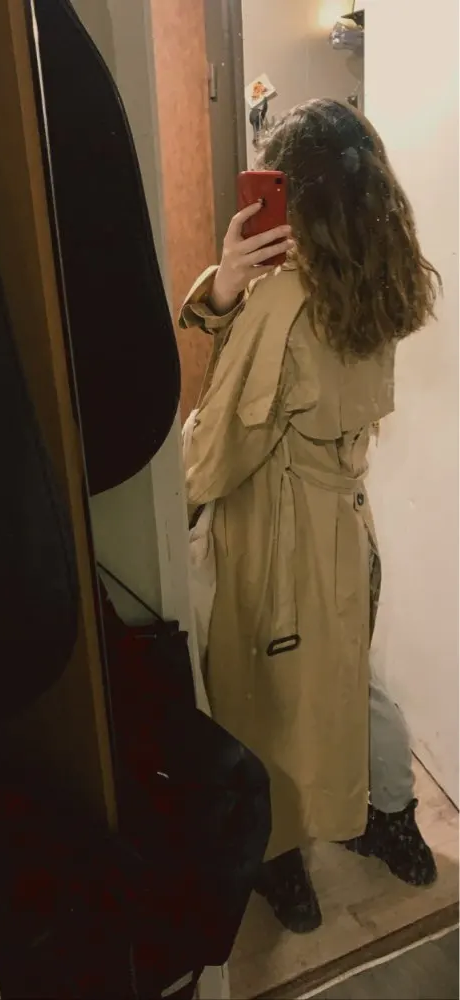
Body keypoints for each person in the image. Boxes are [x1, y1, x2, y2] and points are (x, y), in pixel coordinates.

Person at [179, 99, 441, 934]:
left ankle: (280, 862)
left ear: (294, 197)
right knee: (350, 680)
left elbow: (215, 454)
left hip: (275, 534)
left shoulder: (284, 304)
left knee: (257, 698)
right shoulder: (380, 279)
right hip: (344, 526)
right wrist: (226, 286)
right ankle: (390, 820)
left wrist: (176, 496)